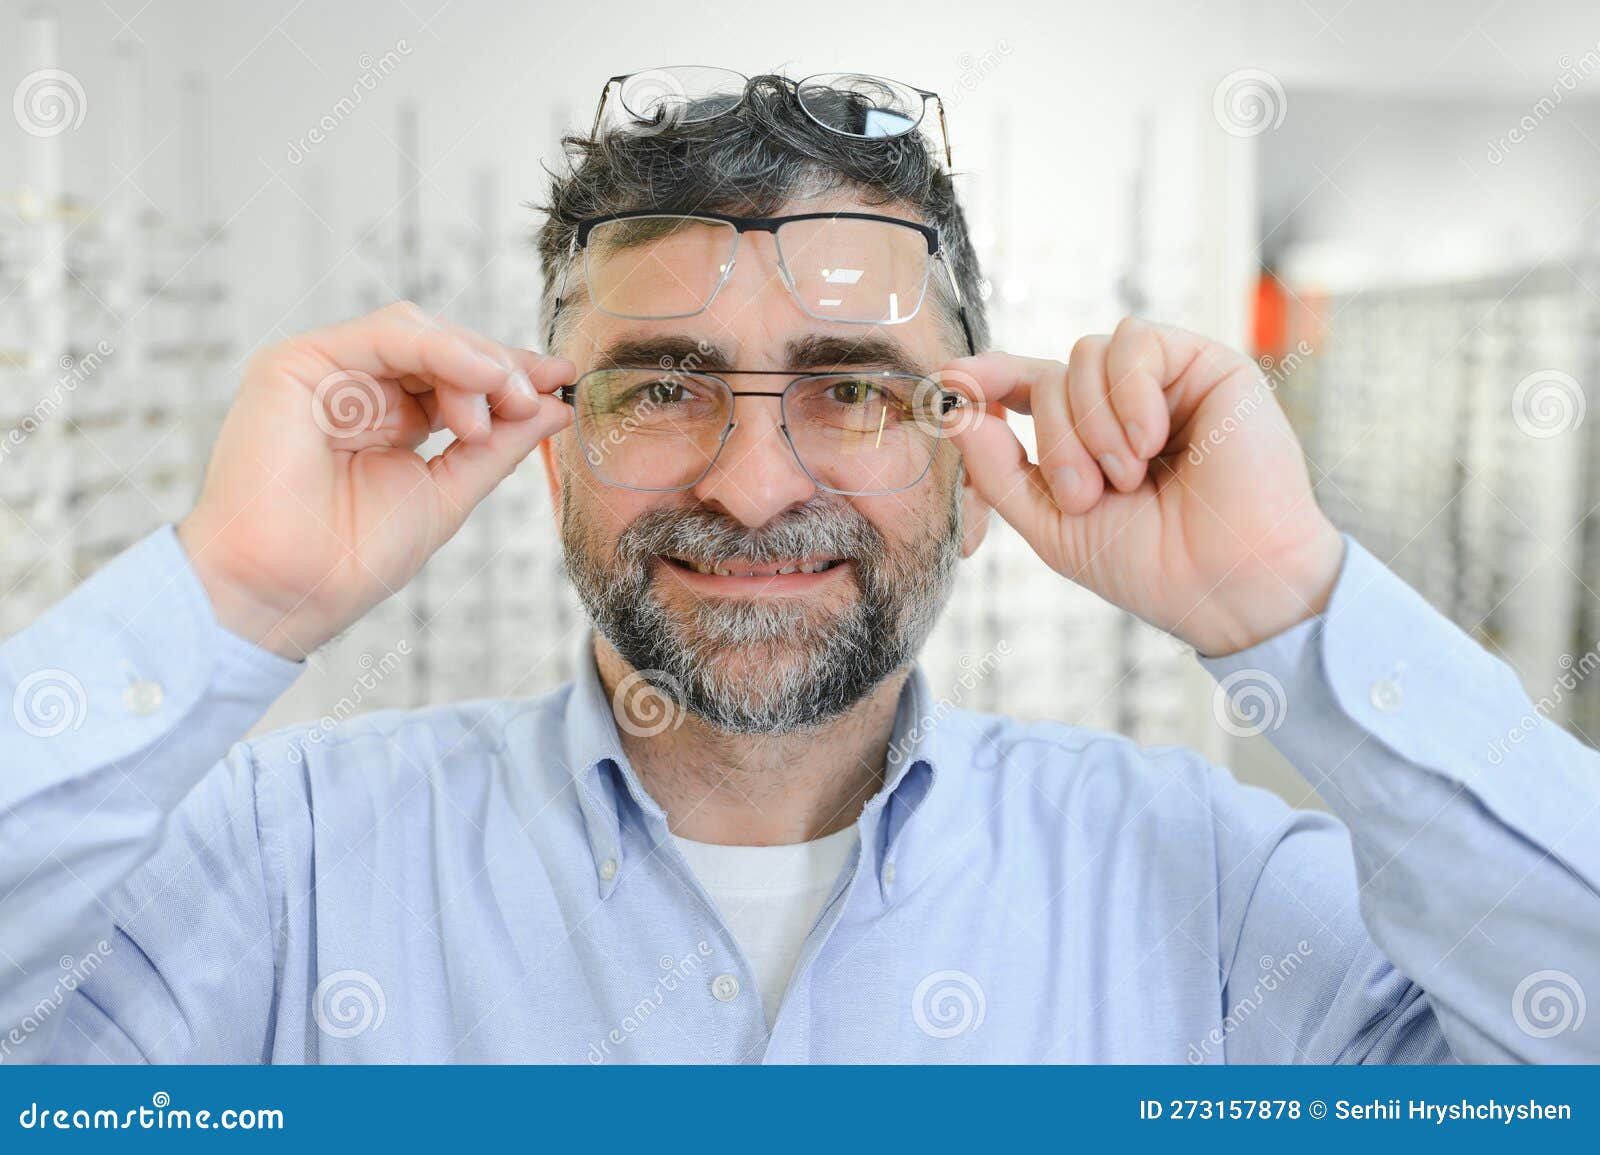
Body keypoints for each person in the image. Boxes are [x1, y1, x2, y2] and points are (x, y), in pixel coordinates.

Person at [1, 72, 1595, 1064]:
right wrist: (229, 600)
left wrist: (1293, 610)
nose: (754, 487)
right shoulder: (285, 874)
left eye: (851, 387)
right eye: (663, 386)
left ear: (975, 451)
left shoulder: (1219, 897)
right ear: (547, 438)